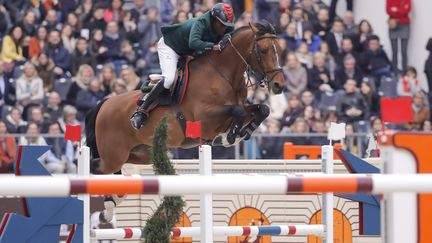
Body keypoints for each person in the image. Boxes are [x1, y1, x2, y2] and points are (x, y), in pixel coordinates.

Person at [130, 3, 235, 129]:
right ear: (213, 18)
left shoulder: (222, 27)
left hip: (186, 51)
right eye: (221, 24)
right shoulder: (200, 22)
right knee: (169, 79)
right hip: (170, 47)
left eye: (226, 26)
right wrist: (213, 46)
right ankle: (141, 111)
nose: (224, 28)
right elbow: (194, 42)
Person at [386, 0, 411, 71]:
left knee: (404, 51)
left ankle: (405, 71)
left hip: (404, 25)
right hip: (393, 25)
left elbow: (407, 10)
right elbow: (388, 10)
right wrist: (400, 10)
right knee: (394, 51)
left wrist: (395, 10)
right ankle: (394, 71)